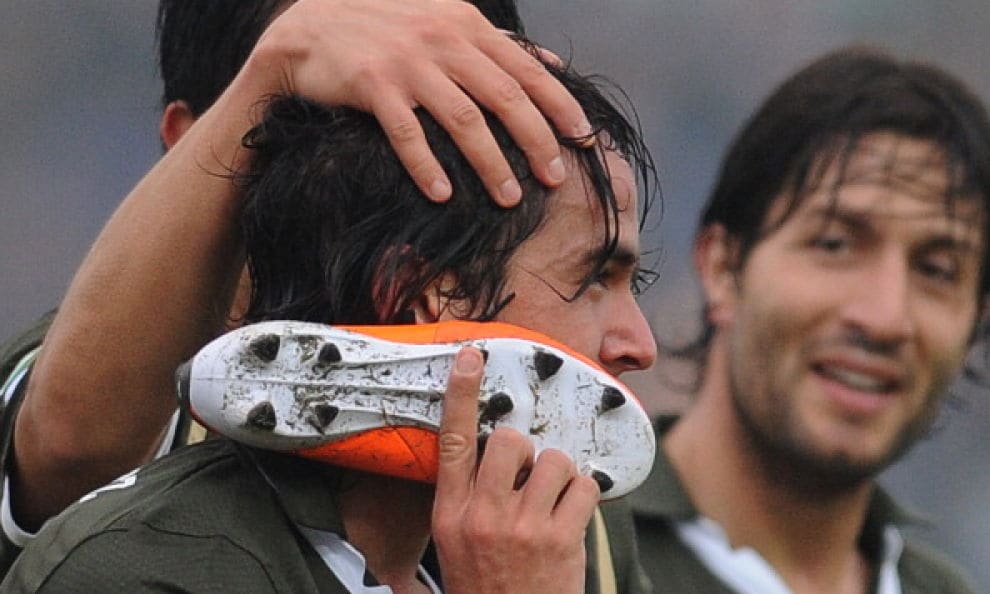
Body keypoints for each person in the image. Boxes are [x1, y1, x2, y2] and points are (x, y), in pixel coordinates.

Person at [1, 41, 657, 592]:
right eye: (595, 278)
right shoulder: (156, 570)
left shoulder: (524, 556)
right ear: (422, 294)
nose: (639, 344)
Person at [630, 46, 986, 593]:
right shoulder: (567, 552)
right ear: (723, 267)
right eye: (835, 244)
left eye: (937, 270)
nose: (886, 318)